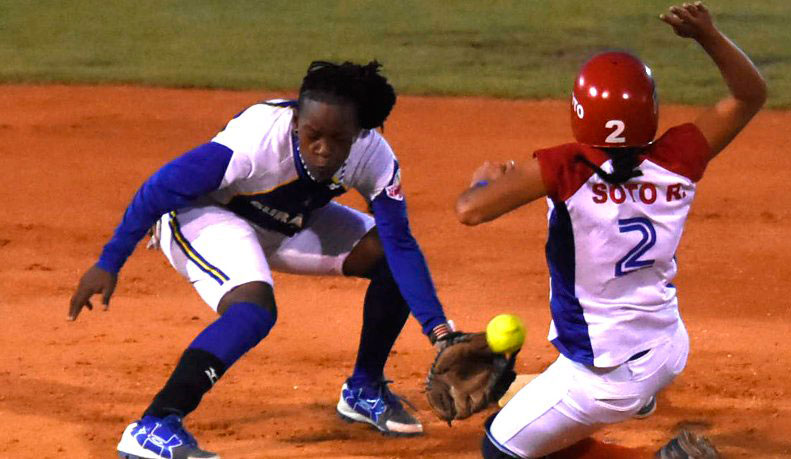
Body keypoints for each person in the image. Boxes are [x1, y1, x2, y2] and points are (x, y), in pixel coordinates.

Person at [69, 60, 457, 459]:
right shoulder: (256, 140)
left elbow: (400, 242)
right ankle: (154, 425)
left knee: (387, 258)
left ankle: (364, 389)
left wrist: (440, 332)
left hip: (288, 219)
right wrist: (109, 261)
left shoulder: (374, 156)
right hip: (206, 215)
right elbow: (160, 187)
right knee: (254, 310)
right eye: (312, 135)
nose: (322, 149)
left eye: (336, 139)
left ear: (359, 135)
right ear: (295, 124)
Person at [454, 3, 765, 458]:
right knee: (545, 415)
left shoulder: (563, 167)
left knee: (500, 446)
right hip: (666, 347)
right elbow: (749, 95)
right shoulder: (679, 156)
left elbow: (470, 211)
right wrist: (708, 35)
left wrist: (484, 179)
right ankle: (635, 402)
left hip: (604, 377)